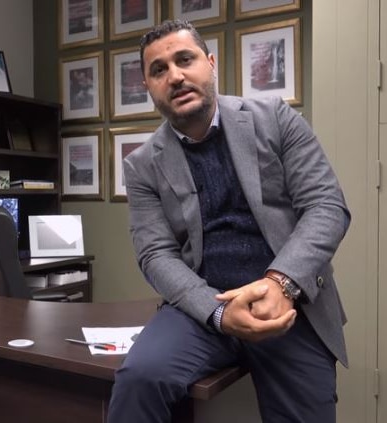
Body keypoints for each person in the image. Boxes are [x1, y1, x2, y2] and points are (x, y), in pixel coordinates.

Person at [107, 20, 350, 423]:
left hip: (288, 305)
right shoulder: (142, 165)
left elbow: (327, 206)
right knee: (139, 380)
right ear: (149, 88)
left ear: (211, 63)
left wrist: (280, 283)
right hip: (204, 306)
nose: (176, 75)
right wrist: (217, 312)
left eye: (185, 59)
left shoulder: (275, 118)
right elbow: (155, 254)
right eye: (159, 70)